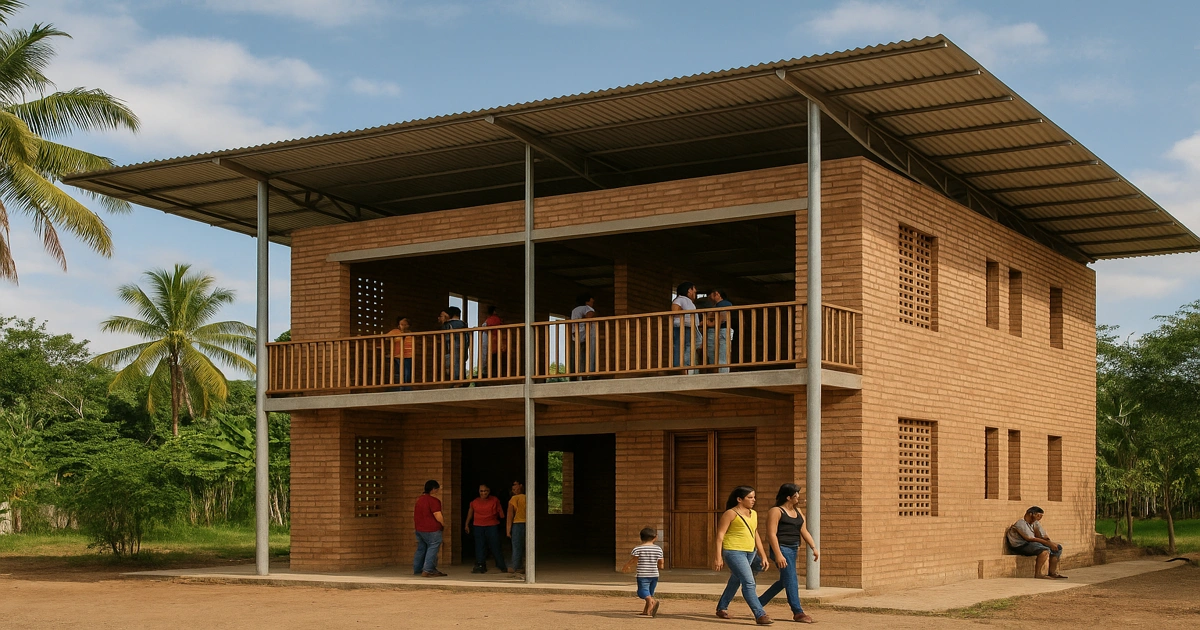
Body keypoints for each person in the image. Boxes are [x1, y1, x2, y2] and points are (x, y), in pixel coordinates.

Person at [758, 483, 818, 623]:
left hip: (793, 548)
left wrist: (813, 547)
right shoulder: (776, 511)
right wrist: (778, 554)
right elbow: (771, 534)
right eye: (796, 495)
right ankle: (798, 612)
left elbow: (804, 530)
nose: (799, 498)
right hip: (781, 548)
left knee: (785, 581)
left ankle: (758, 603)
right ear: (788, 497)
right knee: (792, 579)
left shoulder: (798, 512)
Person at [714, 485, 773, 625]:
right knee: (749, 582)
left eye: (754, 497)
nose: (753, 500)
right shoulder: (731, 513)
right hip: (734, 551)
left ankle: (722, 607)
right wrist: (718, 557)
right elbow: (720, 536)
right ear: (740, 499)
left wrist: (763, 555)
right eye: (750, 497)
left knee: (737, 578)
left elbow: (755, 534)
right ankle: (760, 614)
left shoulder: (754, 513)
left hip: (750, 552)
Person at [1007, 506, 1067, 579]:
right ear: (1031, 514)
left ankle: (1052, 573)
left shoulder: (1035, 523)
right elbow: (1030, 538)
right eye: (1038, 515)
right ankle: (1038, 574)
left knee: (1057, 548)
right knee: (1044, 551)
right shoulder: (1021, 523)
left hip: (1032, 544)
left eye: (1041, 516)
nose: (1039, 518)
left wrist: (1051, 543)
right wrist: (1048, 544)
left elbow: (1043, 536)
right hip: (1020, 546)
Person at [621, 527, 665, 618]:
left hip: (643, 574)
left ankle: (652, 602)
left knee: (642, 592)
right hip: (654, 574)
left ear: (640, 537)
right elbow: (661, 562)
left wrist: (627, 565)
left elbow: (634, 560)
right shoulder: (658, 549)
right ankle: (647, 611)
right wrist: (660, 567)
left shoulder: (638, 549)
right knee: (649, 593)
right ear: (655, 537)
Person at [465, 484, 507, 573]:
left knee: (495, 545)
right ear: (479, 491)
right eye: (481, 491)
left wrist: (503, 523)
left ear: (489, 491)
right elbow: (470, 512)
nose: (483, 493)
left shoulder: (494, 500)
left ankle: (501, 565)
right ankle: (480, 565)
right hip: (478, 526)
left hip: (492, 525)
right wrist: (466, 524)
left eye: (485, 491)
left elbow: (501, 513)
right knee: (480, 546)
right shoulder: (475, 502)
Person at [413, 480, 446, 577]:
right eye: (437, 489)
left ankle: (418, 569)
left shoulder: (419, 499)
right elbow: (437, 515)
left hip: (419, 528)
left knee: (421, 548)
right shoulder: (434, 501)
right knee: (433, 547)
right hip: (432, 529)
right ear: (433, 489)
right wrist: (443, 524)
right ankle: (428, 570)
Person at [671, 282, 699, 374]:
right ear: (689, 290)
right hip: (682, 327)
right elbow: (674, 310)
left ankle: (688, 367)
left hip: (689, 327)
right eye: (693, 290)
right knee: (681, 346)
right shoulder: (680, 299)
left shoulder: (688, 301)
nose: (695, 292)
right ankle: (681, 369)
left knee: (690, 346)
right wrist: (686, 314)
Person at [570, 293, 597, 378]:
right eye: (591, 302)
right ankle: (590, 373)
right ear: (587, 302)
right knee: (590, 354)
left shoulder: (574, 310)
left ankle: (577, 374)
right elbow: (590, 316)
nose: (592, 304)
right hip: (586, 333)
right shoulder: (587, 308)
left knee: (579, 356)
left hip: (576, 334)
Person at [707, 289, 733, 373]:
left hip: (721, 331)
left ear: (716, 294)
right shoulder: (718, 305)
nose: (709, 298)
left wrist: (711, 324)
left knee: (721, 356)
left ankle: (722, 377)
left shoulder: (724, 304)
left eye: (710, 295)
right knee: (716, 356)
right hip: (719, 331)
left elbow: (722, 318)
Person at [441, 306, 469, 383]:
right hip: (463, 346)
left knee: (453, 363)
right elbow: (467, 337)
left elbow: (446, 336)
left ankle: (456, 381)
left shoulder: (448, 324)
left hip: (452, 346)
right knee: (462, 363)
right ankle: (462, 380)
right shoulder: (463, 324)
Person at [386, 316, 414, 390]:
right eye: (402, 324)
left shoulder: (410, 333)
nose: (404, 326)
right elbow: (386, 338)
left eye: (406, 324)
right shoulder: (395, 331)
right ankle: (399, 388)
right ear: (398, 325)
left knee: (407, 373)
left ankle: (407, 389)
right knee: (400, 373)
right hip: (398, 356)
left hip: (408, 356)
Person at [506, 480, 527, 574]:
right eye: (512, 487)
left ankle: (516, 567)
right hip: (528, 523)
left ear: (521, 485)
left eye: (515, 485)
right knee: (526, 546)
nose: (514, 488)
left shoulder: (513, 499)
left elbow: (510, 515)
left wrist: (508, 529)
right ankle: (525, 566)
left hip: (518, 523)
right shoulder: (528, 497)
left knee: (517, 546)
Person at [482, 306, 504, 378]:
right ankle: (494, 375)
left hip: (492, 343)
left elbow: (485, 327)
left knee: (492, 360)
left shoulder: (491, 320)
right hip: (495, 343)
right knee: (495, 360)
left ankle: (490, 374)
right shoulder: (495, 319)